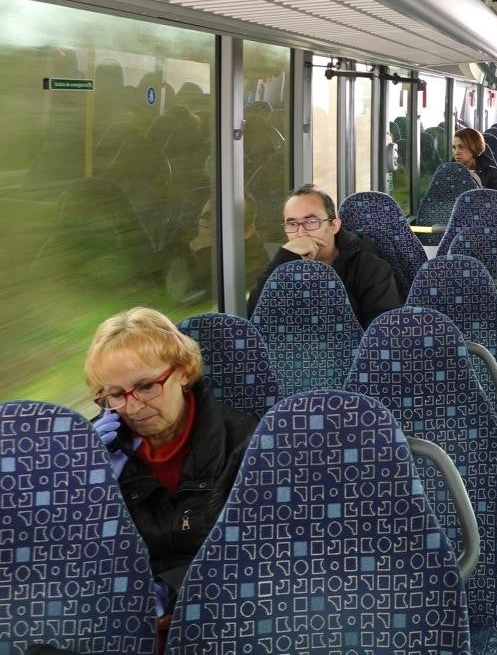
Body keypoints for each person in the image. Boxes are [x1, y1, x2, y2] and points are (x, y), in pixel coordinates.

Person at [83, 307, 260, 614]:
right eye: (116, 394)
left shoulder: (246, 444)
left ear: (183, 370)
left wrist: (169, 589)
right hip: (122, 613)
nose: (133, 407)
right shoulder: (99, 450)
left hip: (218, 608)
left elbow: (252, 550)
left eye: (146, 386)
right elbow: (78, 555)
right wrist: (86, 482)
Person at [246, 184, 401, 327]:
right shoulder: (282, 265)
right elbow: (255, 316)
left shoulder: (371, 269)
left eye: (311, 221)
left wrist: (319, 278)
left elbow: (383, 334)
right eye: (292, 224)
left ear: (334, 226)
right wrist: (282, 260)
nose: (301, 233)